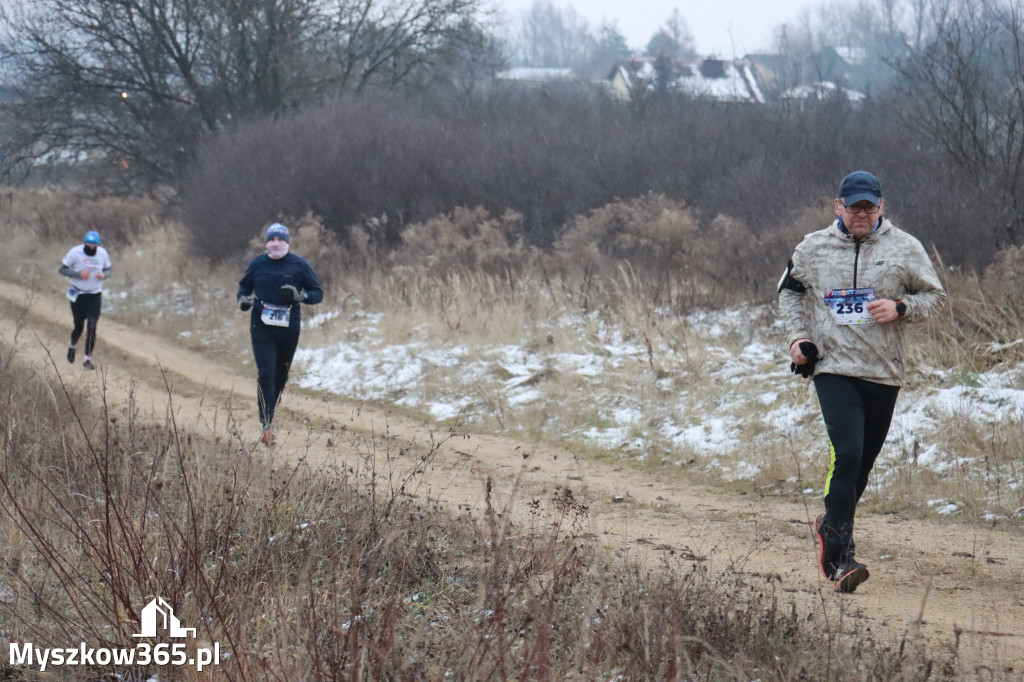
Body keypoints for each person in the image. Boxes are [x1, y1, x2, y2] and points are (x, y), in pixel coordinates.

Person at [778, 171, 946, 593]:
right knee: (847, 451)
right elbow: (790, 293)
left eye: (869, 206)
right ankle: (840, 558)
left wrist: (901, 306)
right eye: (853, 206)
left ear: (881, 207)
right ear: (838, 207)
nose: (861, 213)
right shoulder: (812, 247)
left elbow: (936, 298)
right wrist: (798, 337)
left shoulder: (904, 248)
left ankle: (830, 524)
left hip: (883, 371)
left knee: (861, 465)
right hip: (833, 368)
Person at [237, 223, 323, 446]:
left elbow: (318, 293)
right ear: (266, 243)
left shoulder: (299, 264)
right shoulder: (257, 264)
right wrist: (243, 301)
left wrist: (301, 297)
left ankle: (270, 411)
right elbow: (244, 288)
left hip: (289, 327)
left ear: (287, 243)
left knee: (280, 376)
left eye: (280, 240)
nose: (276, 243)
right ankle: (266, 424)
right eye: (272, 239)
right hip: (261, 326)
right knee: (265, 373)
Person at [60, 230, 112, 370]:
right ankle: (72, 345)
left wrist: (104, 275)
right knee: (79, 326)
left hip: (94, 294)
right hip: (77, 293)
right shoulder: (75, 252)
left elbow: (109, 269)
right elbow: (63, 270)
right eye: (88, 245)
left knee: (92, 327)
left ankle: (87, 359)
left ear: (97, 245)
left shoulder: (102, 253)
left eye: (93, 246)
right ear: (84, 243)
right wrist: (78, 274)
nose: (91, 248)